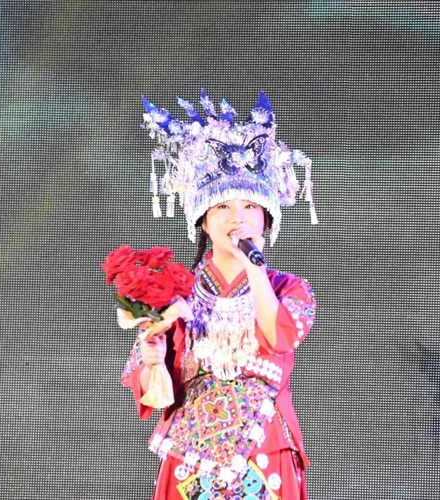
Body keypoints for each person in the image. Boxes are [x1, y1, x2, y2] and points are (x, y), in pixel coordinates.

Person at [121, 90, 318, 499]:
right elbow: (150, 392)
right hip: (192, 453)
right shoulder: (174, 291)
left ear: (266, 221)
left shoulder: (290, 289)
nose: (237, 218)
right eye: (224, 207)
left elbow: (277, 336)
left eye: (250, 207)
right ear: (204, 221)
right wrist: (153, 362)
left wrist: (255, 266)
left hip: (264, 447)